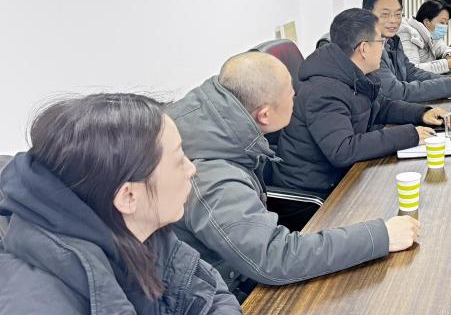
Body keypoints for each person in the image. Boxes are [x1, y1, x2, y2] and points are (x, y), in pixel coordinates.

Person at [0, 94, 277, 315]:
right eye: (178, 160)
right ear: (129, 196)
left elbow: (212, 302)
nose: (191, 169)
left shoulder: (141, 236)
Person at [169, 52, 421, 299]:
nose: (296, 97)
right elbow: (274, 257)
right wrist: (381, 236)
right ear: (264, 114)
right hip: (225, 298)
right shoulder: (213, 177)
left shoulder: (215, 123)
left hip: (235, 271)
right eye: (291, 94)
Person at [273, 8, 447, 196]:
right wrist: (409, 135)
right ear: (364, 48)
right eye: (380, 41)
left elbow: (382, 107)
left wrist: (422, 113)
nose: (383, 48)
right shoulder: (324, 91)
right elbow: (343, 150)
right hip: (315, 192)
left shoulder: (354, 73)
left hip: (343, 177)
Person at [364, 0, 451, 102]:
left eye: (398, 14)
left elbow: (410, 71)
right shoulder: (367, 48)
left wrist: (447, 80)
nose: (393, 20)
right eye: (385, 14)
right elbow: (395, 92)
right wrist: (445, 85)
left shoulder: (392, 40)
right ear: (367, 15)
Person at [399, 0, 451, 75]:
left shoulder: (430, 34)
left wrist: (449, 56)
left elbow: (443, 48)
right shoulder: (408, 35)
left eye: (446, 23)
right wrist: (447, 65)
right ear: (427, 22)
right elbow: (410, 71)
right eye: (442, 22)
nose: (445, 27)